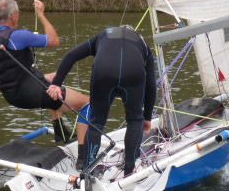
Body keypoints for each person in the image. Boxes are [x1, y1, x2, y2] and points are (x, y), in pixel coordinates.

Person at [47, 25, 156, 175]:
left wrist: (56, 84)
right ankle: (129, 170)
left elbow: (71, 55)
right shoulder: (143, 44)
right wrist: (148, 117)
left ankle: (87, 170)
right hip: (133, 73)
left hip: (104, 72)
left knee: (96, 122)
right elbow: (151, 85)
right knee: (135, 120)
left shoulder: (102, 35)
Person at [0, 0, 90, 144]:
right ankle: (84, 151)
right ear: (13, 15)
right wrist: (41, 15)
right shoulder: (19, 36)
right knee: (88, 103)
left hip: (12, 96)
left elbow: (10, 71)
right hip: (29, 94)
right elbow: (54, 40)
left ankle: (60, 130)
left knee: (55, 78)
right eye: (18, 13)